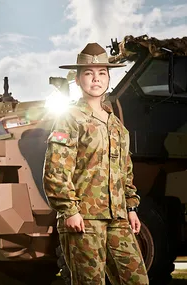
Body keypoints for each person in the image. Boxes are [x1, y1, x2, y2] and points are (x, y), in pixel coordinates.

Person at [43, 43, 149, 285]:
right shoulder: (69, 118)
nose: (95, 79)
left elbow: (126, 173)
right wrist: (68, 209)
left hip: (118, 217)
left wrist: (130, 208)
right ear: (78, 80)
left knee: (137, 280)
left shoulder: (117, 127)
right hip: (84, 218)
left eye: (102, 73)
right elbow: (56, 169)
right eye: (88, 73)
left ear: (109, 78)